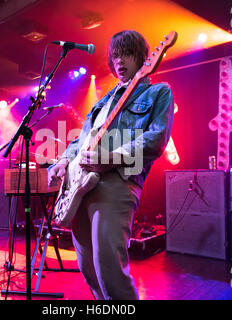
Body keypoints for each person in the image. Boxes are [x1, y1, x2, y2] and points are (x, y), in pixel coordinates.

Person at [48, 30, 174, 300]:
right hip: (80, 185)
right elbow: (81, 142)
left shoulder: (158, 92)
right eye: (115, 55)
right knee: (88, 268)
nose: (120, 60)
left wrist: (113, 156)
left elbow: (156, 139)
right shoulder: (102, 102)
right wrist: (62, 161)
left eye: (126, 53)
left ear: (142, 57)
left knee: (109, 269)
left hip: (117, 182)